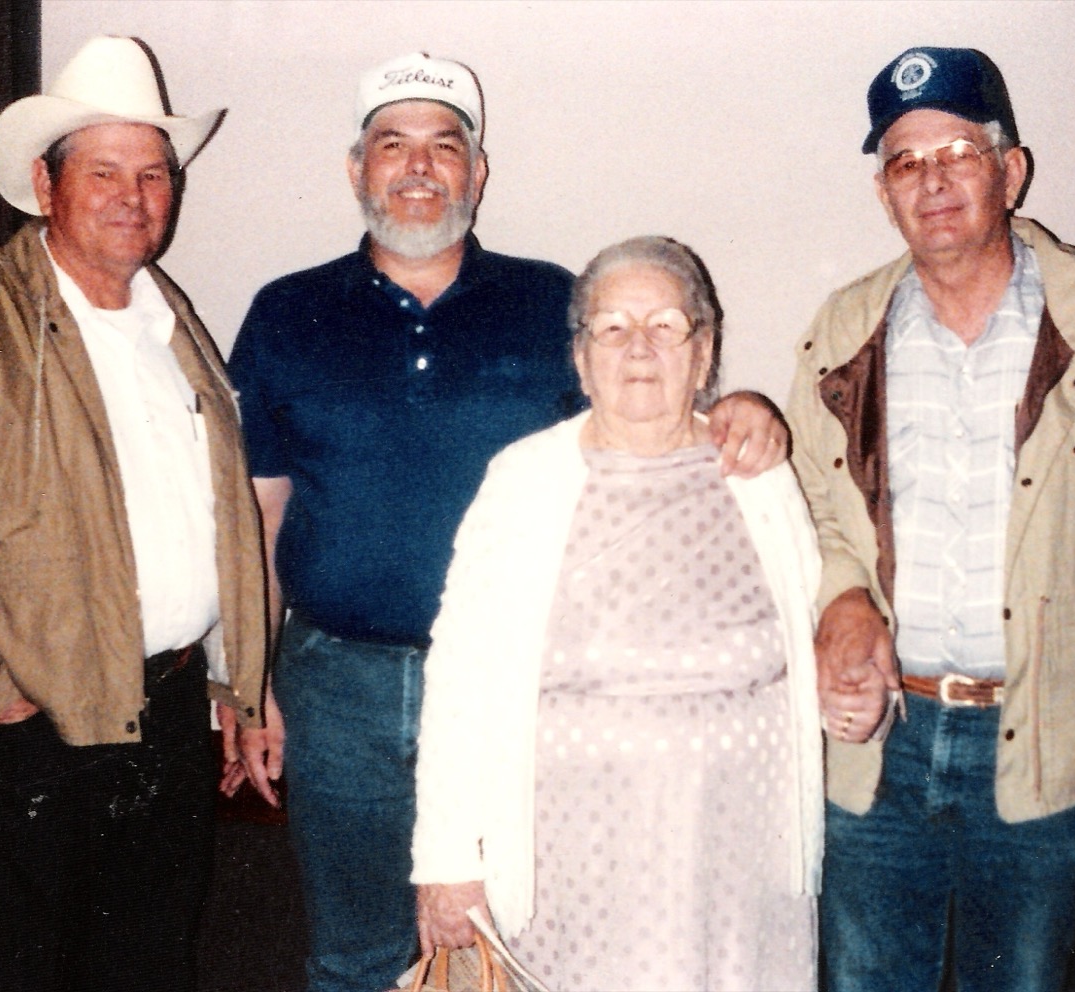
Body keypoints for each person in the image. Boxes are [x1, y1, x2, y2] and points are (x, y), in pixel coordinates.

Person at [227, 52, 790, 992]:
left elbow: (646, 422)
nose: (419, 168)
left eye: (445, 147)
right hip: (337, 687)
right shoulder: (286, 312)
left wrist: (741, 407)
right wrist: (249, 680)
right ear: (356, 169)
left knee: (525, 945)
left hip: (522, 689)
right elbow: (261, 511)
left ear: (478, 172)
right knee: (355, 955)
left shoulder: (549, 304)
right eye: (392, 145)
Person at [786, 46, 1075, 992]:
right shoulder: (842, 332)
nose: (933, 180)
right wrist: (844, 601)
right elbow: (813, 514)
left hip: (1048, 741)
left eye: (958, 152)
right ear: (884, 194)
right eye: (906, 162)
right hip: (878, 743)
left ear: (1011, 170)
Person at [411, 236, 824, 992]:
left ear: (704, 354)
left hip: (743, 854)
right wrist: (446, 861)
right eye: (612, 328)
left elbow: (813, 631)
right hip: (575, 863)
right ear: (580, 357)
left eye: (666, 325)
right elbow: (459, 677)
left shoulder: (758, 475)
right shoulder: (524, 481)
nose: (639, 347)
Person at [0, 35, 282, 992]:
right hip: (32, 731)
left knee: (147, 967)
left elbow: (210, 519)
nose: (132, 196)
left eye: (153, 173)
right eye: (102, 171)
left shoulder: (171, 325)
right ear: (44, 183)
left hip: (168, 716)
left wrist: (232, 682)